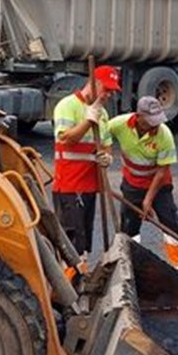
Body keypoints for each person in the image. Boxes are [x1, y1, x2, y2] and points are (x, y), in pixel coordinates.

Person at [108, 96, 178, 275]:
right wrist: (103, 154)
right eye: (151, 121)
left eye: (158, 121)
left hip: (159, 185)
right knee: (129, 226)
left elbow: (162, 171)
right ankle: (130, 265)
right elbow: (102, 136)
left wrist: (148, 200)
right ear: (138, 116)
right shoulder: (119, 125)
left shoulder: (164, 135)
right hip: (131, 184)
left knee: (170, 223)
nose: (155, 126)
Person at [52, 65, 119, 275]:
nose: (108, 94)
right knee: (72, 239)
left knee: (84, 238)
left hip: (90, 184)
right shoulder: (67, 106)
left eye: (112, 91)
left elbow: (107, 143)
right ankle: (67, 289)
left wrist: (107, 157)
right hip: (69, 185)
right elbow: (66, 139)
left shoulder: (103, 114)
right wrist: (89, 121)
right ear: (93, 83)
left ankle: (80, 279)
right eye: (106, 89)